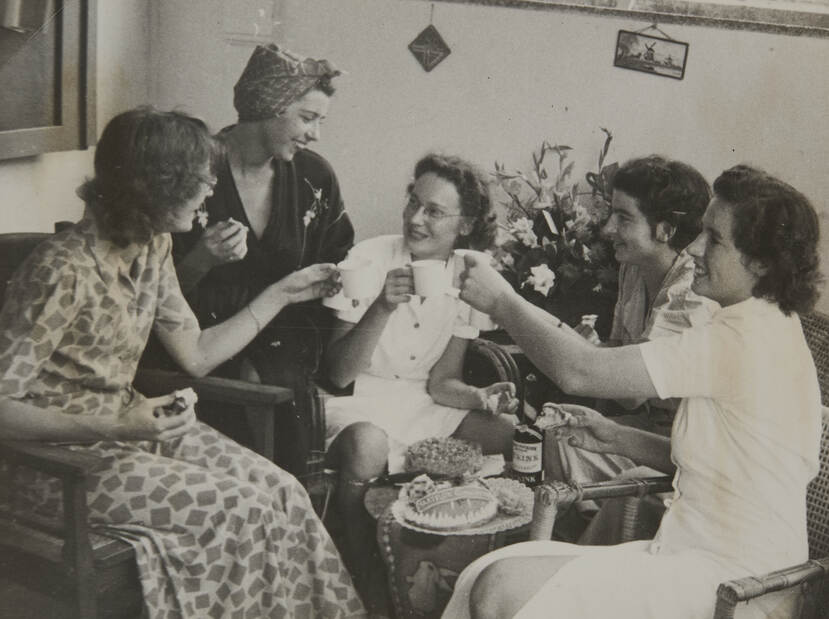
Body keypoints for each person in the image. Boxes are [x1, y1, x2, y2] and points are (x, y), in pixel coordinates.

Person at [0, 108, 364, 618]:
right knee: (243, 509)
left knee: (282, 491)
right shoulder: (61, 269)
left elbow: (196, 353)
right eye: (201, 178)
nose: (211, 190)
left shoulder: (153, 246)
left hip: (125, 436)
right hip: (54, 467)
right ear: (157, 186)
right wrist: (115, 425)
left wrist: (281, 294)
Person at [443, 165, 823, 618]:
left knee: (502, 587)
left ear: (760, 262)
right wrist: (615, 436)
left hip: (739, 587)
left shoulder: (743, 338)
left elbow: (580, 372)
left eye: (714, 239)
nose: (695, 247)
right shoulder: (763, 323)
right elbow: (724, 469)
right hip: (691, 559)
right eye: (700, 231)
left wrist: (501, 301)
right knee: (490, 569)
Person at [322, 153, 519, 599]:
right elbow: (338, 373)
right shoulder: (368, 258)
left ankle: (478, 564)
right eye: (413, 202)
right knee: (368, 444)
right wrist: (382, 307)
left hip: (423, 404)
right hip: (361, 400)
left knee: (508, 433)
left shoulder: (471, 274)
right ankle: (360, 571)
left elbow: (441, 382)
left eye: (434, 211)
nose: (415, 218)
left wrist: (481, 396)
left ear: (465, 224)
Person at [158, 44, 354, 472]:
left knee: (274, 390)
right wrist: (202, 261)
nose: (315, 134)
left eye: (321, 121)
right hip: (200, 344)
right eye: (307, 118)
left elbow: (340, 255)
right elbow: (148, 289)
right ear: (268, 107)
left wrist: (337, 280)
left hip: (287, 343)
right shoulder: (194, 170)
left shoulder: (313, 177)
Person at [550, 156, 719, 511]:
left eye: (624, 218)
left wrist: (575, 346)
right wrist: (595, 347)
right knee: (558, 437)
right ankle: (581, 527)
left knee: (566, 445)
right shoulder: (634, 267)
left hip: (683, 448)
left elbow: (630, 395)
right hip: (648, 426)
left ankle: (591, 529)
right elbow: (620, 351)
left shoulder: (691, 294)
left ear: (666, 230)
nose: (608, 228)